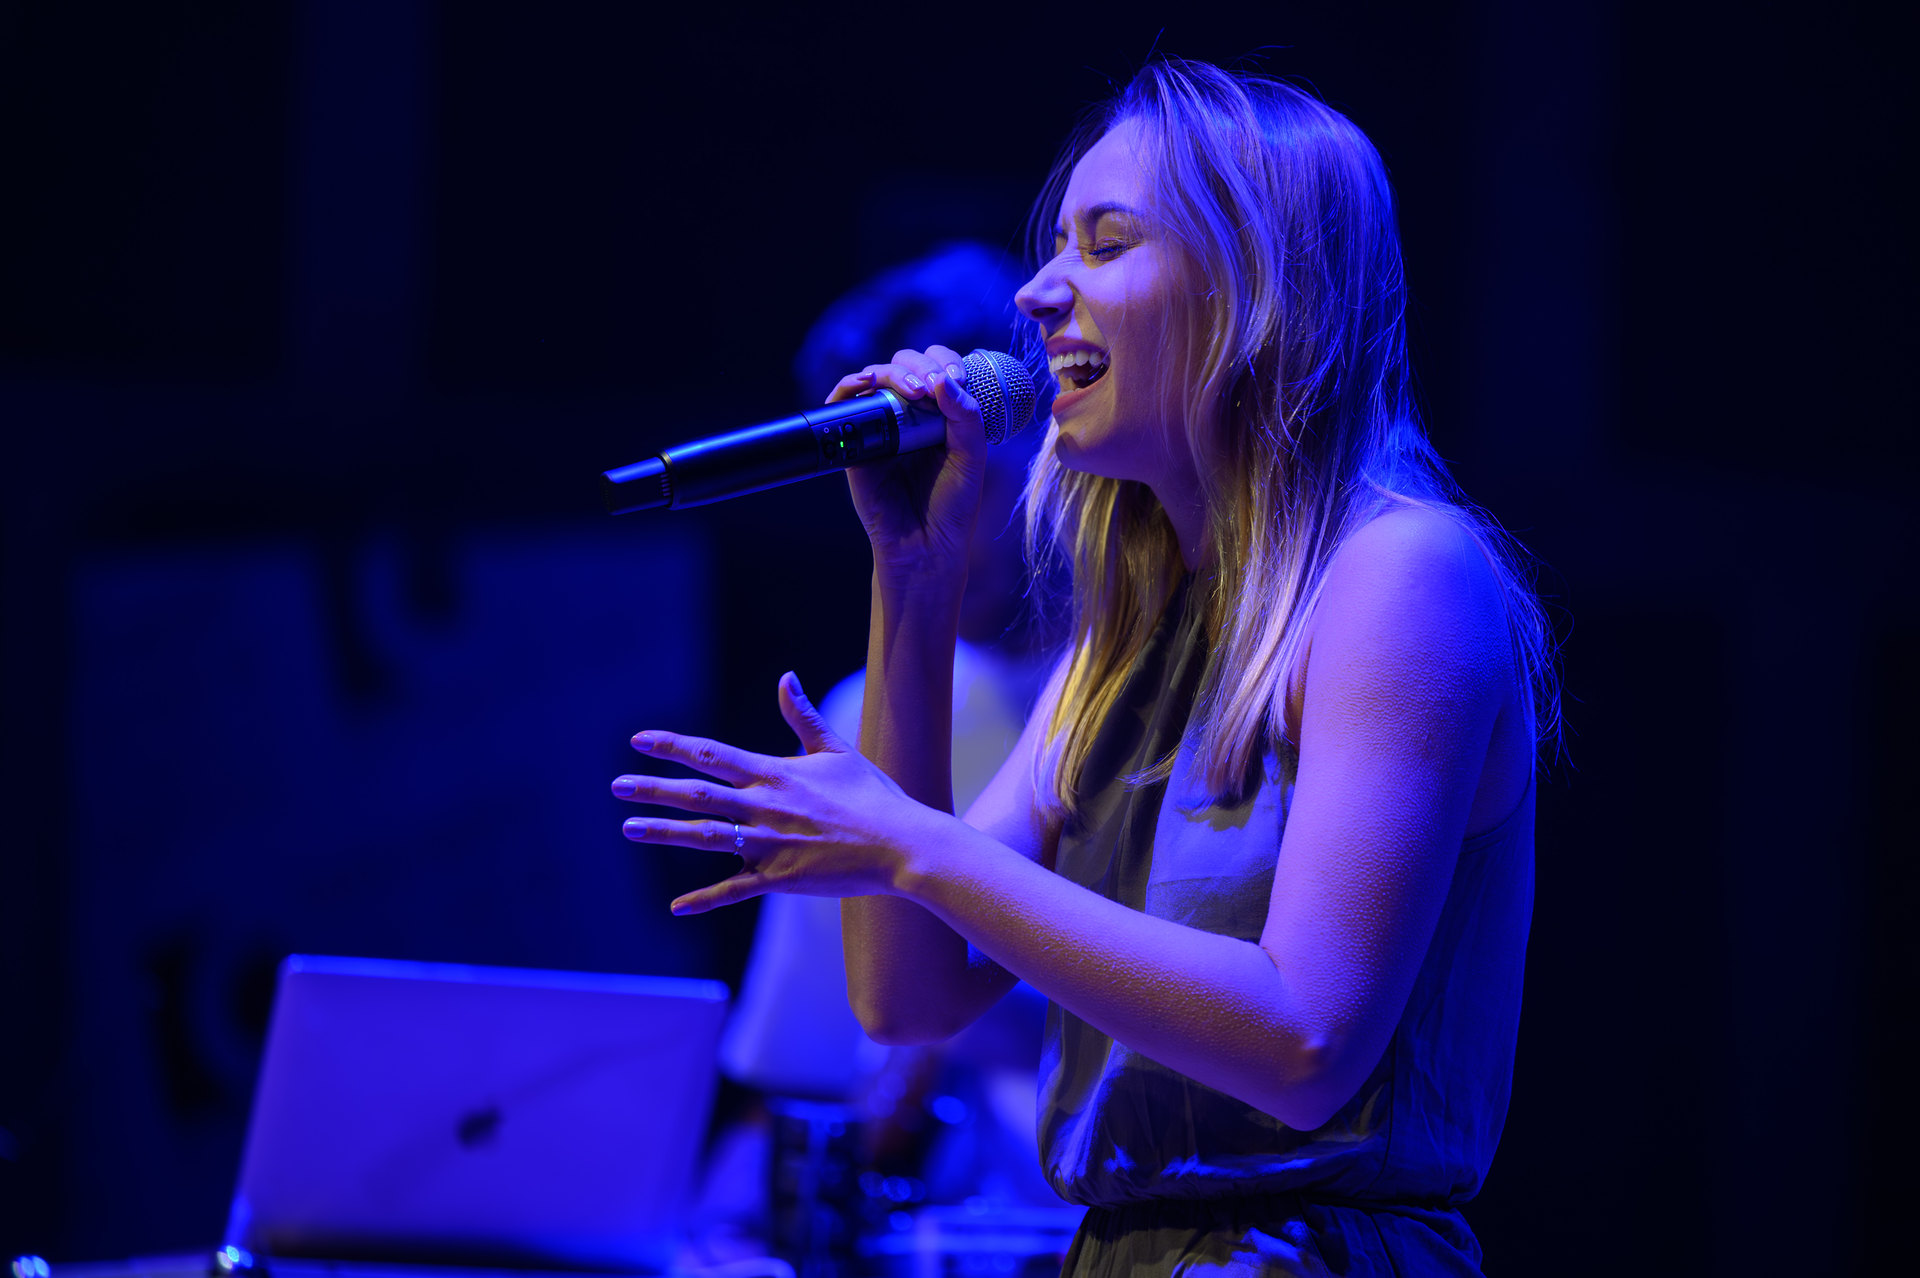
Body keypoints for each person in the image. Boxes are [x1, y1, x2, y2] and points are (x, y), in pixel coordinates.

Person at [613, 59, 1556, 1277]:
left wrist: (910, 841)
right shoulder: (1127, 636)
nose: (1038, 291)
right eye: (1058, 244)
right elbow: (910, 998)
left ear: (1251, 292)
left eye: (1106, 245)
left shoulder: (1399, 577)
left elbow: (1306, 1041)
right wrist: (915, 578)